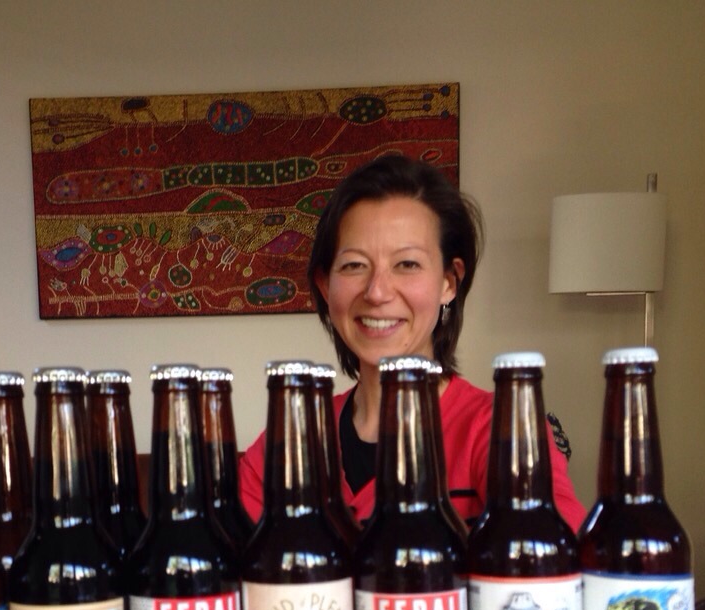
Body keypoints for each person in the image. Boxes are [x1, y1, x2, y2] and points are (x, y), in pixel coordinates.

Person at [239, 154, 586, 530]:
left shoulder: (501, 430)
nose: (377, 292)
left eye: (407, 264)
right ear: (326, 286)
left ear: (448, 283)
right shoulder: (286, 442)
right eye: (354, 265)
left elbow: (554, 551)